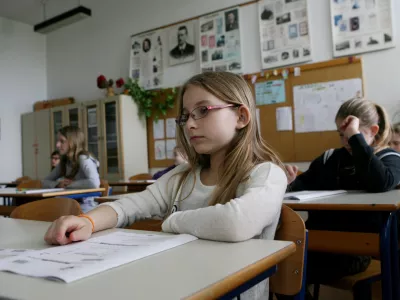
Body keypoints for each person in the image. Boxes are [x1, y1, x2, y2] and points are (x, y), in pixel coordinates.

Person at [44, 71, 288, 300]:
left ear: (241, 117)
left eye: (203, 110)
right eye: (186, 115)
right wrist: (88, 221)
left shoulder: (266, 174)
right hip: (179, 287)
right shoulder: (182, 176)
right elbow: (131, 205)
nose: (190, 124)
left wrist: (172, 221)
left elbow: (236, 223)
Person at [284, 98, 400, 298]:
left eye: (350, 135)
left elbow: (379, 182)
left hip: (354, 252)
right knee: (278, 271)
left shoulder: (389, 158)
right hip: (317, 244)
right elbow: (301, 188)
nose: (346, 142)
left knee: (288, 275)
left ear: (373, 131)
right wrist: (289, 182)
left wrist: (356, 137)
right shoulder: (331, 158)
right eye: (341, 135)